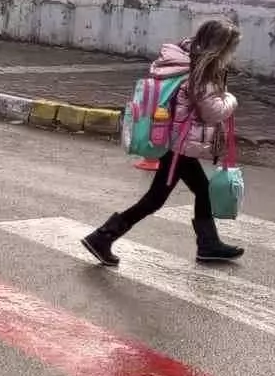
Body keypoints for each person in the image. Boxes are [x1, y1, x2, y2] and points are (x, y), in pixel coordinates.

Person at [82, 18, 244, 267]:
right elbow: (211, 111)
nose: (232, 54)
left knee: (202, 190)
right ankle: (102, 237)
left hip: (176, 143)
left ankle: (209, 244)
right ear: (219, 47)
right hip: (178, 147)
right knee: (155, 199)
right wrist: (231, 99)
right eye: (230, 48)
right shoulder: (200, 72)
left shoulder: (188, 59)